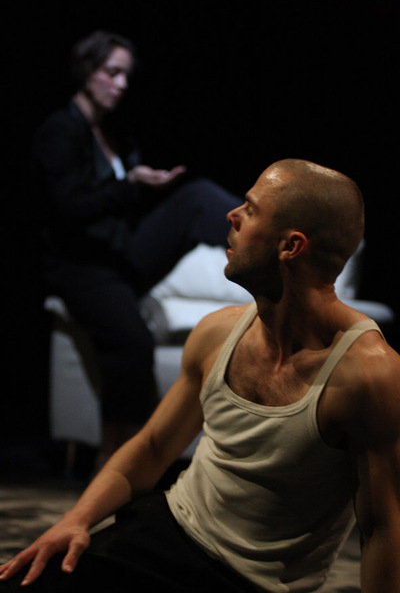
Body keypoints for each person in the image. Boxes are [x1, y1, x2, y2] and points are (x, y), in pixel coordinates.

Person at [2, 158, 400, 592]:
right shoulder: (217, 332)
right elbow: (153, 447)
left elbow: (382, 527)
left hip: (250, 582)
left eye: (250, 209)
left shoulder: (369, 374)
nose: (231, 215)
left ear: (291, 246)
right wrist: (75, 520)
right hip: (162, 531)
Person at [31, 30, 242, 469]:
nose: (121, 84)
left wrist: (145, 187)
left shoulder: (112, 132)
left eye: (126, 75)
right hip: (80, 264)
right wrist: (129, 184)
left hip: (117, 255)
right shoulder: (61, 130)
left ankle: (270, 232)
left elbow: (118, 208)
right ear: (87, 72)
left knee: (197, 197)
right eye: (112, 73)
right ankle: (113, 460)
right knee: (132, 342)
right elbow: (69, 207)